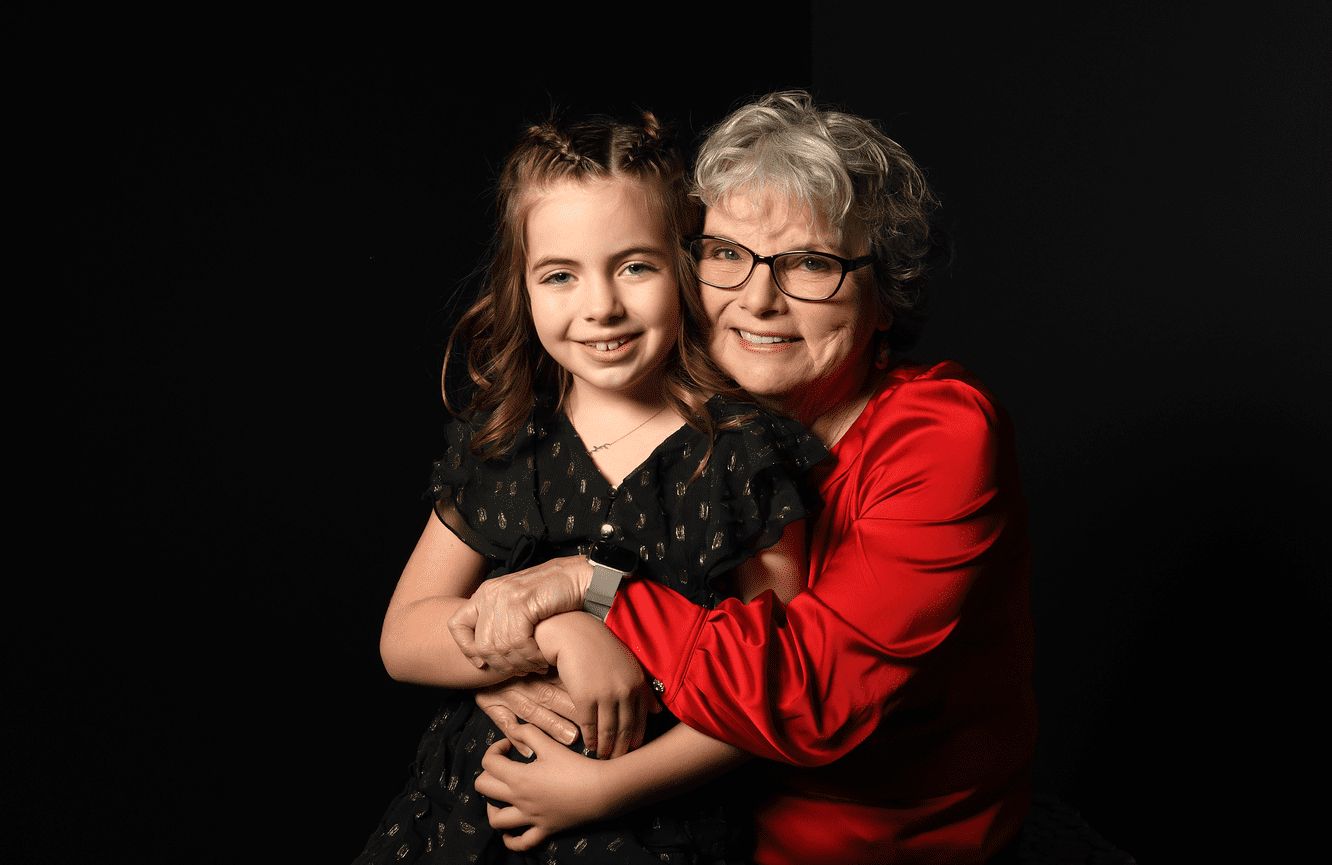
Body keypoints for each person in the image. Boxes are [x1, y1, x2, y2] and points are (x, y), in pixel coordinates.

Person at [451, 91, 1037, 865]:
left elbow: (812, 693)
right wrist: (520, 664)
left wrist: (589, 587)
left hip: (864, 846)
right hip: (695, 821)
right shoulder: (686, 417)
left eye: (812, 264)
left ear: (885, 296)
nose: (759, 300)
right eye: (727, 254)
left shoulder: (942, 435)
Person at [353, 111, 826, 864]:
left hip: (656, 829)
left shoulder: (743, 455)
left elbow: (775, 685)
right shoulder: (510, 443)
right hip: (467, 821)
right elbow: (404, 636)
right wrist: (553, 634)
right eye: (560, 275)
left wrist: (604, 790)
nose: (600, 305)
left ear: (686, 267)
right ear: (522, 287)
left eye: (635, 267)